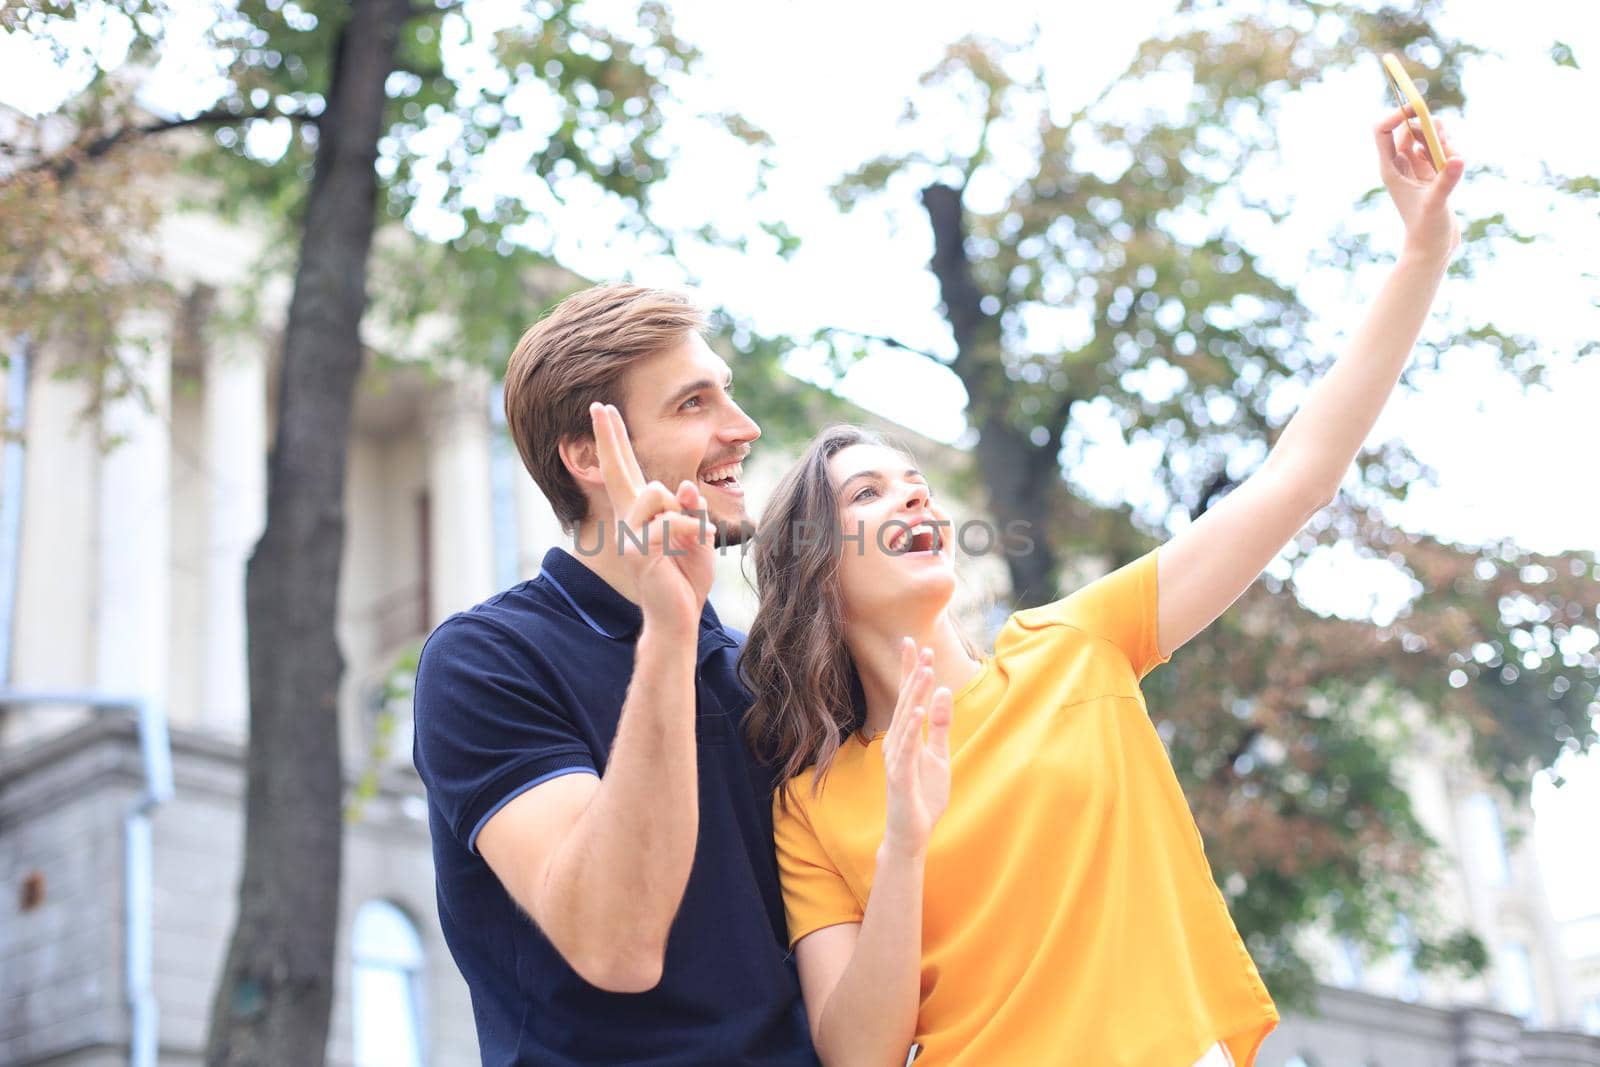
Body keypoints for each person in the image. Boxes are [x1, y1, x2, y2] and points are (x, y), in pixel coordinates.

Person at [738, 106, 1465, 1067]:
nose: (910, 490)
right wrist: (907, 841)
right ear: (816, 573)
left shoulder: (1074, 644)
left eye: (911, 477)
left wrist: (1423, 253)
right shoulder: (815, 804)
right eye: (866, 491)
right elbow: (857, 1054)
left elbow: (1299, 477)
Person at [411, 285, 818, 1065]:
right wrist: (665, 633)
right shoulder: (486, 660)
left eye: (726, 392)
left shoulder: (760, 673)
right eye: (695, 402)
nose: (743, 428)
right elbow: (615, 944)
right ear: (591, 455)